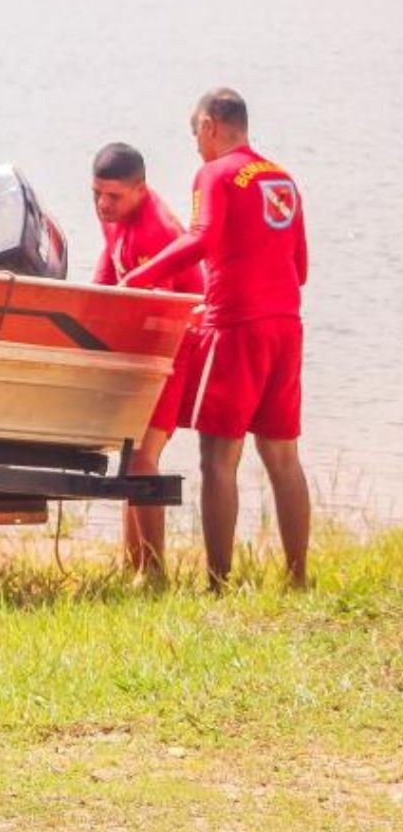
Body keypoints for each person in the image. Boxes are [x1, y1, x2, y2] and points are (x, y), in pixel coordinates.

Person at [124, 88, 310, 590]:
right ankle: (297, 577)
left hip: (236, 327)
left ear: (209, 126)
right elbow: (301, 268)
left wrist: (141, 277)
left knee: (218, 457)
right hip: (286, 325)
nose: (195, 146)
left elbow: (201, 238)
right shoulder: (283, 178)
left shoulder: (215, 174)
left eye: (195, 135)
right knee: (283, 456)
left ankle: (218, 582)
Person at [90, 142, 206, 579]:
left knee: (142, 456)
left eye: (113, 196)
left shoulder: (156, 232)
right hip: (143, 349)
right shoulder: (116, 215)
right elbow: (109, 268)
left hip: (173, 350)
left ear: (140, 189)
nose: (103, 205)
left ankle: (154, 572)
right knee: (131, 455)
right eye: (96, 193)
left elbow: (167, 315)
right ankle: (132, 565)